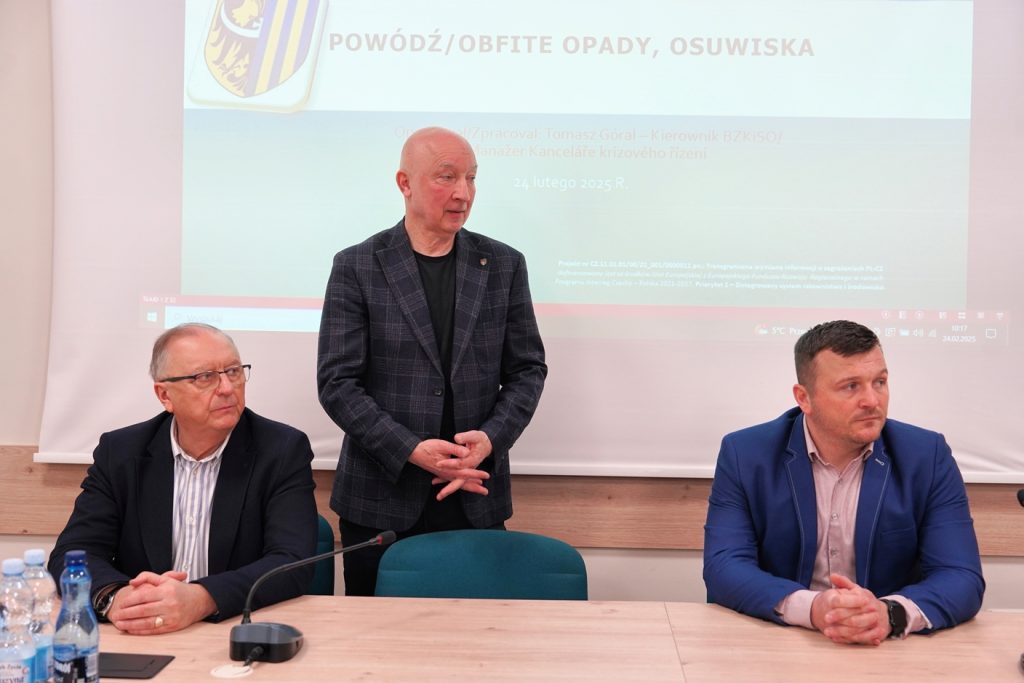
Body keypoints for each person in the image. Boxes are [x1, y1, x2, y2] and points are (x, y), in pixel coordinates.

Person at [317, 126, 548, 595]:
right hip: (380, 501)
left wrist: (490, 439)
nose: (464, 193)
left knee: (477, 634)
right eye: (447, 177)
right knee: (376, 638)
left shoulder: (503, 264)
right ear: (404, 183)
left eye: (471, 178)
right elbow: (337, 383)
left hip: (473, 493)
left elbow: (527, 370)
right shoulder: (357, 265)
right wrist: (410, 449)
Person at [703, 320, 984, 645]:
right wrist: (813, 608)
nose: (872, 400)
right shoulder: (746, 454)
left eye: (880, 382)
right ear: (804, 398)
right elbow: (724, 566)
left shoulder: (926, 456)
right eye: (851, 386)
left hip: (887, 649)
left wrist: (889, 613)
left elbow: (960, 575)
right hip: (780, 643)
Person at [49, 323, 318, 634]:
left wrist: (202, 598)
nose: (227, 388)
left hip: (233, 629)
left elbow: (292, 562)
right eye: (205, 377)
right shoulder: (121, 452)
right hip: (141, 633)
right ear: (165, 395)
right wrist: (116, 598)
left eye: (233, 371)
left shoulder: (281, 450)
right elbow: (73, 553)